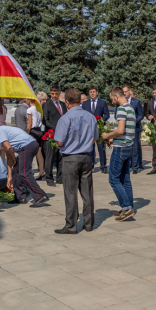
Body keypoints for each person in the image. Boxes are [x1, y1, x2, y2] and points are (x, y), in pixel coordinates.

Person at [53, 88, 98, 234]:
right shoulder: (90, 117)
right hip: (86, 156)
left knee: (70, 192)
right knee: (87, 192)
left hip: (70, 158)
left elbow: (59, 141)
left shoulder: (65, 118)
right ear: (79, 100)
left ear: (67, 102)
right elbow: (95, 138)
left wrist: (58, 145)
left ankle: (71, 225)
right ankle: (89, 223)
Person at [0, 120, 49, 207]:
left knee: (24, 173)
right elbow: (9, 157)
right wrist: (9, 177)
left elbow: (8, 148)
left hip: (27, 146)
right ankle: (20, 197)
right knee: (16, 171)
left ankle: (40, 196)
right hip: (27, 146)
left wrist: (14, 159)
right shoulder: (2, 134)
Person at [101, 87, 136, 221]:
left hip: (120, 148)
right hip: (128, 146)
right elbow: (125, 130)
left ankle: (126, 207)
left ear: (116, 96)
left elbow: (120, 130)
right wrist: (113, 138)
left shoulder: (121, 109)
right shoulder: (130, 108)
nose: (112, 102)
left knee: (113, 179)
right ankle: (129, 206)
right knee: (125, 178)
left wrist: (107, 135)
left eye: (111, 99)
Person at [82, 87, 111, 173]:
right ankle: (90, 166)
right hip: (89, 129)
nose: (92, 93)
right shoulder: (85, 104)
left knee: (101, 148)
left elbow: (107, 114)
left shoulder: (102, 102)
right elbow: (82, 115)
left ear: (97, 92)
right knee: (90, 148)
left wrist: (101, 120)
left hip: (100, 128)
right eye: (90, 92)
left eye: (93, 92)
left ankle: (103, 166)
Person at [43, 86, 67, 186]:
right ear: (50, 93)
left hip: (62, 135)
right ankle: (49, 179)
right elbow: (45, 120)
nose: (54, 95)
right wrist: (56, 128)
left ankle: (60, 178)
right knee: (50, 157)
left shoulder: (63, 105)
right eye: (52, 93)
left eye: (56, 94)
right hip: (51, 135)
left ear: (59, 94)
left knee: (61, 157)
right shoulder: (46, 105)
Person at [123, 85, 145, 174]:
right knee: (126, 147)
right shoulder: (122, 102)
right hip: (125, 129)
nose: (124, 93)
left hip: (135, 128)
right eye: (123, 92)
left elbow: (141, 115)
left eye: (126, 91)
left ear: (129, 91)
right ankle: (128, 164)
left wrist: (134, 121)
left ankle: (135, 167)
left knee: (135, 148)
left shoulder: (136, 102)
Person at [26, 98, 45, 181]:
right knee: (39, 152)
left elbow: (29, 123)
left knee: (29, 152)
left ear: (28, 100)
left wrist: (26, 133)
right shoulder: (38, 110)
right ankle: (41, 171)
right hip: (39, 131)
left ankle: (28, 171)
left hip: (33, 131)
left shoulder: (30, 110)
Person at [0, 98, 8, 164]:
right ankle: (2, 164)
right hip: (3, 125)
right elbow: (5, 117)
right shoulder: (4, 107)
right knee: (2, 149)